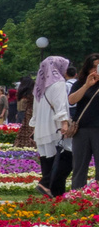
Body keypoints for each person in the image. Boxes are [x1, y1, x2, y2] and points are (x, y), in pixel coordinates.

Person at [32, 55, 75, 197]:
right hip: (55, 126)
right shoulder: (59, 83)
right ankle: (46, 182)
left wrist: (35, 126)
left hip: (42, 128)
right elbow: (60, 105)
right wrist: (64, 122)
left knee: (49, 161)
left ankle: (54, 195)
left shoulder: (40, 85)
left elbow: (35, 110)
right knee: (67, 158)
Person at [70, 58, 99, 194]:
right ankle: (77, 194)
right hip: (82, 129)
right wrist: (87, 85)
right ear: (88, 68)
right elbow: (71, 100)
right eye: (94, 67)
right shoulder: (80, 83)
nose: (96, 70)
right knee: (80, 166)